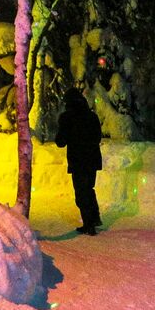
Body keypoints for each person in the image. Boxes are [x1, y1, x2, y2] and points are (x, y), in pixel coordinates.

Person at [55, 88, 103, 235]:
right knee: (89, 189)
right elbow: (97, 137)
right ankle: (94, 218)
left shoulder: (67, 118)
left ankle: (89, 225)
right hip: (92, 159)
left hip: (78, 160)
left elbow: (60, 141)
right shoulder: (92, 116)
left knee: (81, 193)